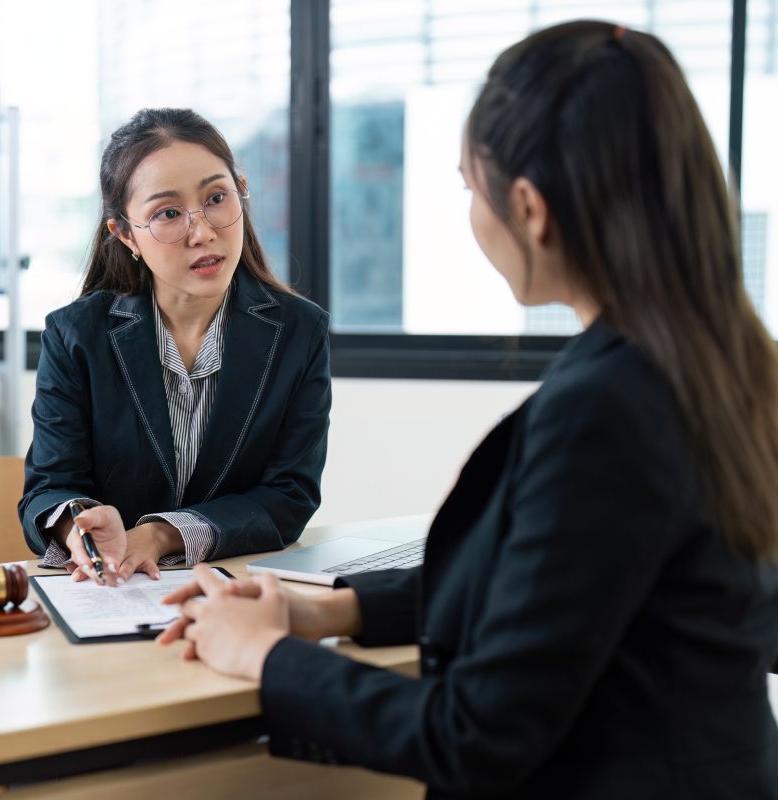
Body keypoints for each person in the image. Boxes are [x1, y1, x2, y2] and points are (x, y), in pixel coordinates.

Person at [159, 21, 778, 798]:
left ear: (530, 207)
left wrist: (265, 656)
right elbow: (559, 592)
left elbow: (476, 734)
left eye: (468, 187)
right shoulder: (721, 366)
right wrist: (329, 612)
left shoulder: (609, 410)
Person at [18, 108, 331, 585]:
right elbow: (49, 486)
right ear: (125, 235)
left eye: (217, 198)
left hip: (232, 590)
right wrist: (78, 528)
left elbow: (290, 496)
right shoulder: (76, 335)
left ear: (241, 195)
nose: (202, 231)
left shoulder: (298, 332)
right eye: (168, 213)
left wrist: (160, 536)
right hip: (109, 592)